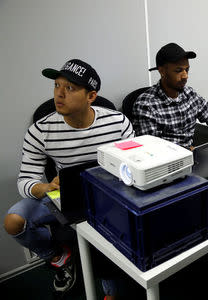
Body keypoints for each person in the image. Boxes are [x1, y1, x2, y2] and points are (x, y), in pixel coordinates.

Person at [3, 59, 134, 297]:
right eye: (56, 85)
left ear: (91, 96)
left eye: (70, 88)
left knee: (104, 236)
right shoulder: (40, 130)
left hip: (110, 193)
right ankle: (58, 256)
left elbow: (134, 161)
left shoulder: (117, 122)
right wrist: (45, 187)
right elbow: (25, 180)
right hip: (62, 196)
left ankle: (110, 291)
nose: (59, 94)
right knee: (13, 221)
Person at [132, 42, 208, 149]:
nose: (185, 76)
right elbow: (153, 150)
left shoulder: (189, 94)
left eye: (187, 70)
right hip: (169, 165)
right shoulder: (146, 105)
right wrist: (188, 152)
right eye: (178, 70)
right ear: (162, 71)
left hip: (192, 157)